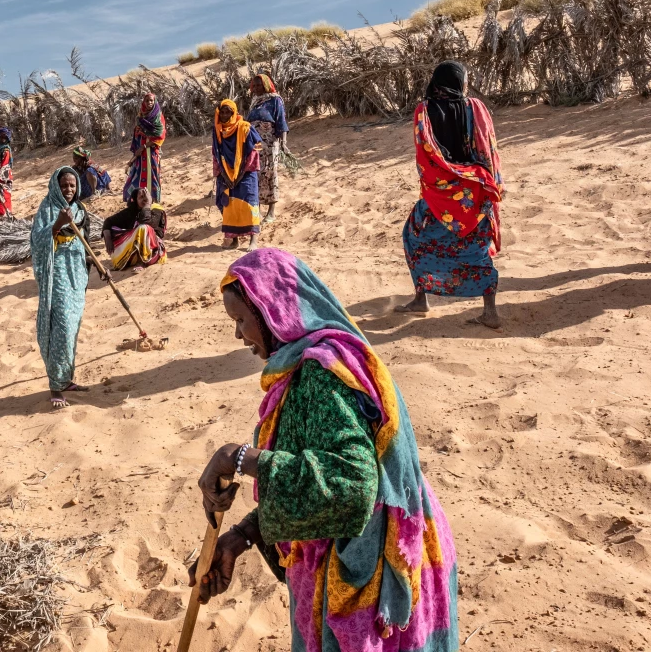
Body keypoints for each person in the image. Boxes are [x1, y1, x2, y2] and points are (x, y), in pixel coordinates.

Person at [191, 248, 459, 651]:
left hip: (374, 576)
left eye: (241, 321)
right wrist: (241, 537)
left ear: (272, 312)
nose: (238, 335)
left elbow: (350, 487)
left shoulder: (323, 375)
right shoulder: (305, 369)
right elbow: (317, 480)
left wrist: (239, 457)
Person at [396, 61, 503, 328]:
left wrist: (442, 182)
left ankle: (421, 298)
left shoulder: (424, 110)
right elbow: (488, 148)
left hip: (440, 192)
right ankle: (490, 311)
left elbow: (425, 156)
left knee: (414, 236)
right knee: (477, 248)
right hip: (475, 188)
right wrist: (492, 183)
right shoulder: (475, 107)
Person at [30, 167, 110, 409]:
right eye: (64, 185)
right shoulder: (47, 209)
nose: (68, 190)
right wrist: (57, 224)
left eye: (72, 186)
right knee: (61, 327)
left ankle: (66, 380)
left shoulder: (79, 209)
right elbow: (37, 241)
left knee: (73, 327)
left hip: (77, 275)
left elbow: (83, 243)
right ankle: (55, 386)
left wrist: (97, 266)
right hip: (57, 275)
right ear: (56, 186)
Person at [212, 99, 261, 249]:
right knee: (227, 204)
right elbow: (215, 153)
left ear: (235, 113)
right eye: (223, 112)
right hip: (225, 173)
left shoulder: (245, 128)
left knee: (249, 204)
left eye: (229, 112)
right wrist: (223, 175)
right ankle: (234, 239)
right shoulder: (217, 130)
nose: (226, 115)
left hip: (246, 172)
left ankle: (253, 240)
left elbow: (255, 151)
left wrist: (239, 175)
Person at [246, 73, 290, 222]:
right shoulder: (255, 102)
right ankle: (256, 211)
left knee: (270, 173)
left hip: (270, 143)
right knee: (255, 174)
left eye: (259, 85)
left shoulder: (275, 100)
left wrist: (283, 142)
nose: (257, 88)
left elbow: (281, 122)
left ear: (266, 84)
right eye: (255, 85)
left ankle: (271, 212)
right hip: (254, 145)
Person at [102, 187, 166, 270]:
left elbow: (146, 222)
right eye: (141, 197)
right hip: (133, 254)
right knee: (118, 231)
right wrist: (108, 239)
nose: (144, 199)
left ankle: (141, 261)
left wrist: (147, 205)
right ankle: (125, 259)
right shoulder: (131, 211)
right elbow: (108, 221)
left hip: (153, 251)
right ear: (135, 200)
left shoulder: (156, 209)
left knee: (143, 228)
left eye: (146, 196)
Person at [122, 92, 166, 202]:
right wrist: (138, 149)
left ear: (154, 101)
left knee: (152, 176)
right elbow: (136, 133)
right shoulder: (140, 116)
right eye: (147, 101)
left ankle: (153, 200)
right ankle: (135, 200)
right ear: (144, 102)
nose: (149, 103)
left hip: (152, 153)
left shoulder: (158, 116)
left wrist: (144, 146)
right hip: (140, 155)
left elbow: (160, 136)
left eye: (151, 100)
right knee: (136, 176)